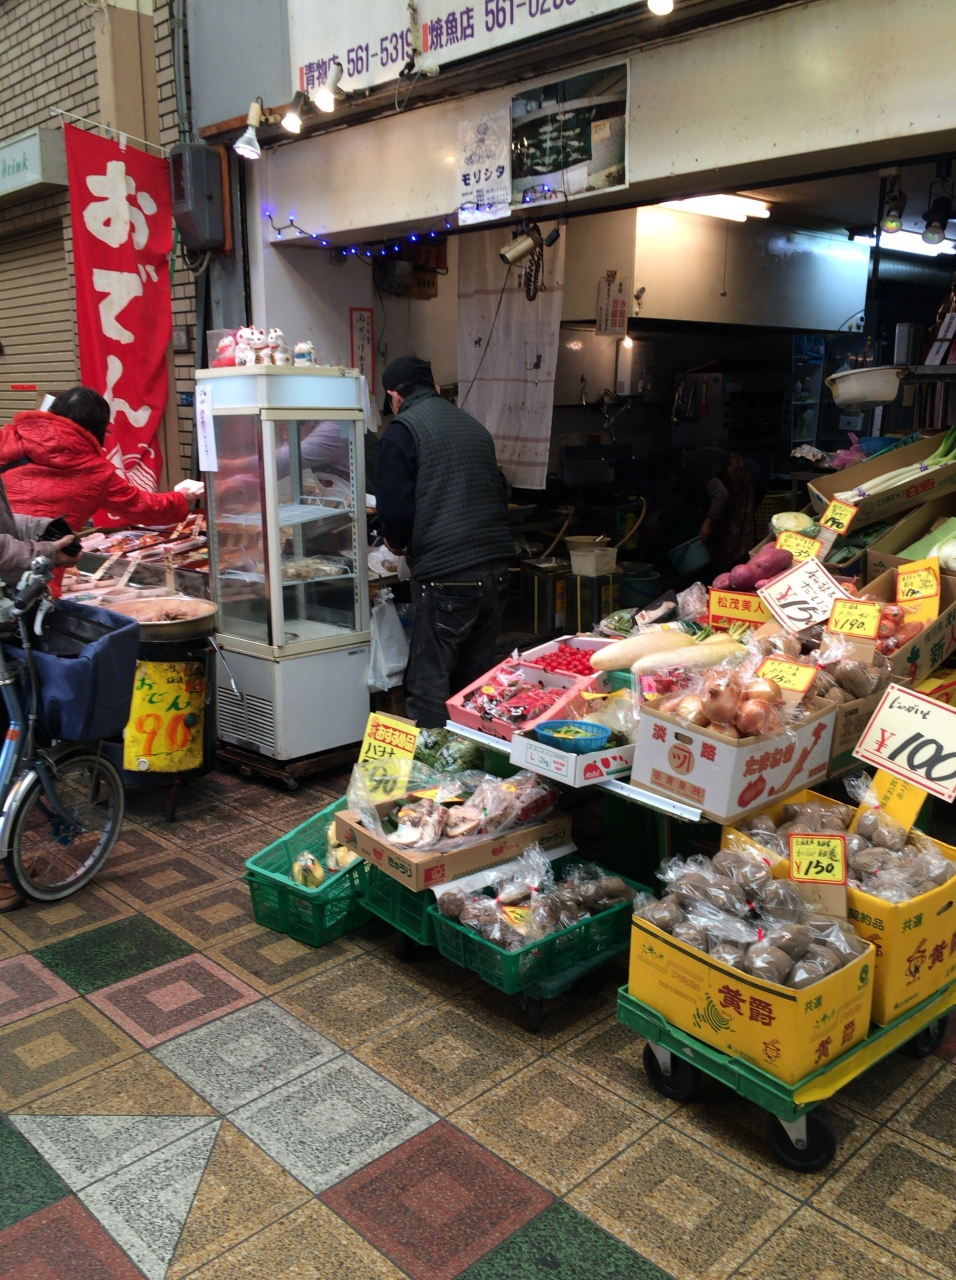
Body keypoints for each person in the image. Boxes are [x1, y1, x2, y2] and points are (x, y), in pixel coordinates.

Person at [376, 356, 515, 728]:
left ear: (394, 396)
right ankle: (474, 751)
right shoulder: (473, 426)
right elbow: (499, 490)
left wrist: (396, 541)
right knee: (474, 681)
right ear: (434, 388)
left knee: (428, 683)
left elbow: (395, 506)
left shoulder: (402, 430)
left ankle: (433, 759)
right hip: (497, 570)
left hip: (448, 575)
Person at [0, 387, 203, 542]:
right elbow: (143, 507)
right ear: (98, 428)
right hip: (37, 567)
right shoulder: (92, 469)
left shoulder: (7, 436)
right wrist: (182, 497)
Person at [649, 446, 759, 573]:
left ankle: (741, 570)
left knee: (735, 527)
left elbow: (720, 494)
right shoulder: (681, 477)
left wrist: (708, 522)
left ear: (671, 475)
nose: (664, 486)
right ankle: (721, 570)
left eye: (662, 483)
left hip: (739, 481)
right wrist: (656, 528)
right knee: (716, 532)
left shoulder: (695, 466)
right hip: (723, 491)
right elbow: (674, 505)